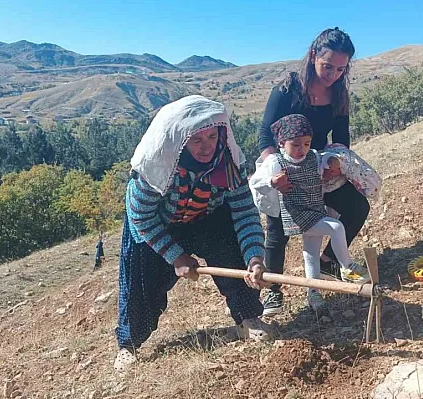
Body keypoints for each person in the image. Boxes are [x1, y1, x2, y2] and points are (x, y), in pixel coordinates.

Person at [113, 95, 276, 372]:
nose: (206, 147)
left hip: (206, 217)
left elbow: (244, 213)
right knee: (141, 282)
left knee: (233, 249)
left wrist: (255, 258)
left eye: (212, 137)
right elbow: (140, 216)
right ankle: (129, 343)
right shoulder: (155, 167)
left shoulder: (229, 163)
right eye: (197, 140)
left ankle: (247, 318)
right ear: (181, 140)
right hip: (156, 226)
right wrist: (176, 257)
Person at [256, 27, 370, 316]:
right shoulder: (286, 89)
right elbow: (265, 136)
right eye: (327, 66)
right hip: (283, 165)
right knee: (277, 230)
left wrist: (333, 162)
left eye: (340, 69)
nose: (333, 74)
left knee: (357, 206)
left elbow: (342, 137)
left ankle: (331, 261)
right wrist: (276, 171)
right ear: (312, 56)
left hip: (318, 166)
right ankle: (272, 290)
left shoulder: (339, 94)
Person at [250, 114, 370, 313]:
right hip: (297, 213)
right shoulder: (275, 161)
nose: (301, 150)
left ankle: (313, 293)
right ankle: (347, 267)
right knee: (336, 227)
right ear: (281, 143)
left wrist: (333, 162)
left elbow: (325, 161)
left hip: (314, 209)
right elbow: (255, 182)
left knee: (311, 254)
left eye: (306, 144)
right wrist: (272, 182)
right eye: (295, 145)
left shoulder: (312, 156)